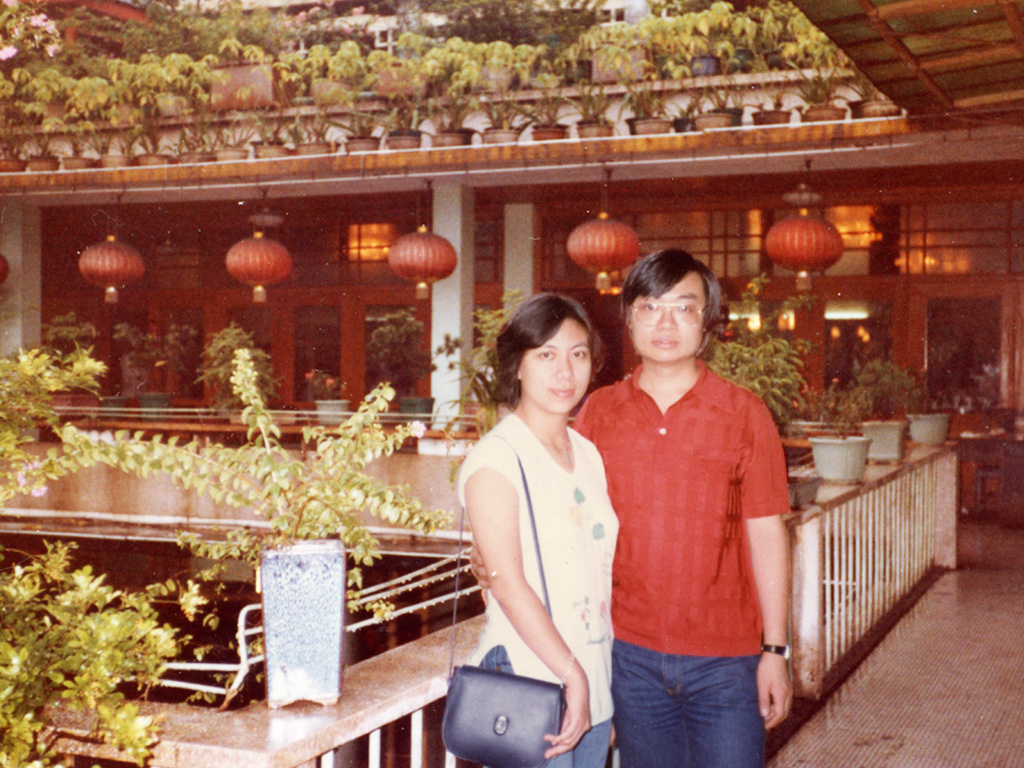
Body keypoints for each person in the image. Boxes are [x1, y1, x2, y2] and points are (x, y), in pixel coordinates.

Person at [572, 249, 792, 768]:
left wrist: (775, 652)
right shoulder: (599, 412)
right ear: (629, 319)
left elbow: (767, 534)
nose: (665, 323)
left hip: (727, 663)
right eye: (650, 307)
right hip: (628, 656)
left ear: (706, 321)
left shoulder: (746, 414)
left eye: (683, 307)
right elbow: (573, 527)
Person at [458, 292, 618, 768]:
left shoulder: (588, 454)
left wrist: (595, 686)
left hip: (590, 686)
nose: (565, 372)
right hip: (531, 681)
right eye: (546, 355)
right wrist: (573, 676)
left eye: (578, 354)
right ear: (518, 367)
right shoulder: (496, 458)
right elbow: (506, 583)